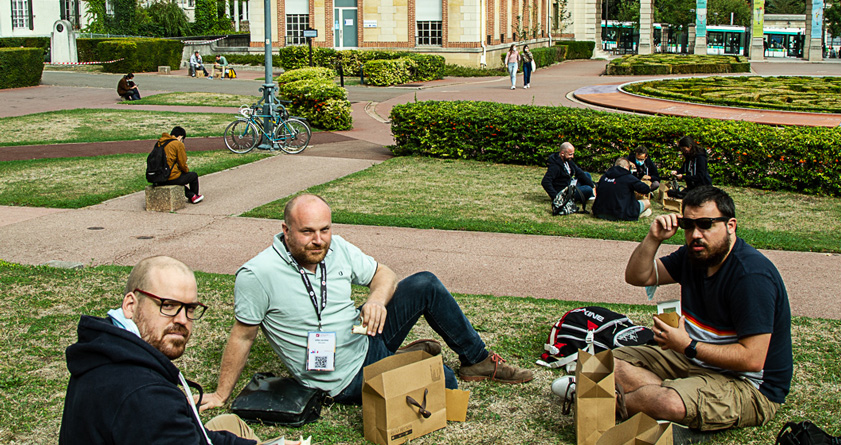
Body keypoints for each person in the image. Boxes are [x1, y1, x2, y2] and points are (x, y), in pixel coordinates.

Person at [200, 194, 533, 410]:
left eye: (325, 229)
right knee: (443, 379)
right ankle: (405, 357)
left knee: (425, 283)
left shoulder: (337, 247)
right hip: (340, 376)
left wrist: (376, 299)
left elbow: (383, 274)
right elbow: (242, 335)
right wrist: (220, 393)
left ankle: (476, 360)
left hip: (362, 335)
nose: (319, 240)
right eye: (307, 232)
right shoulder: (258, 274)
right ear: (285, 230)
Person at [612, 185, 792, 432]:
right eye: (688, 225)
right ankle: (672, 394)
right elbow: (637, 276)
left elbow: (752, 359)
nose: (696, 234)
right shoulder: (694, 255)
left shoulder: (751, 277)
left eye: (706, 224)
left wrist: (687, 345)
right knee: (608, 362)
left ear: (731, 226)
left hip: (748, 385)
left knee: (667, 402)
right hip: (695, 360)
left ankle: (615, 402)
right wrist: (653, 237)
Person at [59, 256, 259, 444]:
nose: (182, 320)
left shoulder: (103, 349)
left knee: (229, 423)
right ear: (130, 305)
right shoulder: (147, 398)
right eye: (168, 305)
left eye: (190, 309)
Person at [541, 142, 595, 216]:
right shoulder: (555, 166)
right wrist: (556, 197)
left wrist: (593, 185)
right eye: (570, 154)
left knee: (586, 174)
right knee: (587, 189)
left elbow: (579, 172)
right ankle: (590, 193)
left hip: (570, 184)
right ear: (562, 153)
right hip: (564, 192)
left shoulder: (568, 161)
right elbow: (545, 182)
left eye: (572, 154)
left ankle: (591, 193)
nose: (572, 156)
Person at [591, 157, 652, 221]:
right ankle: (640, 213)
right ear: (626, 167)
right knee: (647, 202)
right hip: (620, 213)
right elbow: (646, 189)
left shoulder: (604, 177)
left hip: (599, 212)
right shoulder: (628, 177)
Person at [157, 126, 204, 204]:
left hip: (157, 177)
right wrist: (186, 171)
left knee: (176, 178)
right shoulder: (177, 144)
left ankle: (191, 195)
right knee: (192, 176)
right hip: (168, 176)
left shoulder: (160, 142)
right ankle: (194, 196)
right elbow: (182, 163)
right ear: (180, 136)